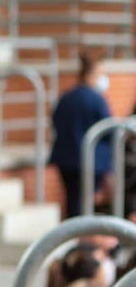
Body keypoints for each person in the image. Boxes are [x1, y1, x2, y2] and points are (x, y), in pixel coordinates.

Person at [50, 52, 114, 219]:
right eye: (100, 74)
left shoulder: (66, 97)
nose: (103, 78)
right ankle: (80, 238)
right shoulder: (96, 99)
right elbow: (110, 129)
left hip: (66, 160)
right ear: (90, 75)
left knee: (73, 201)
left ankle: (74, 236)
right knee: (83, 203)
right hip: (89, 162)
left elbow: (55, 121)